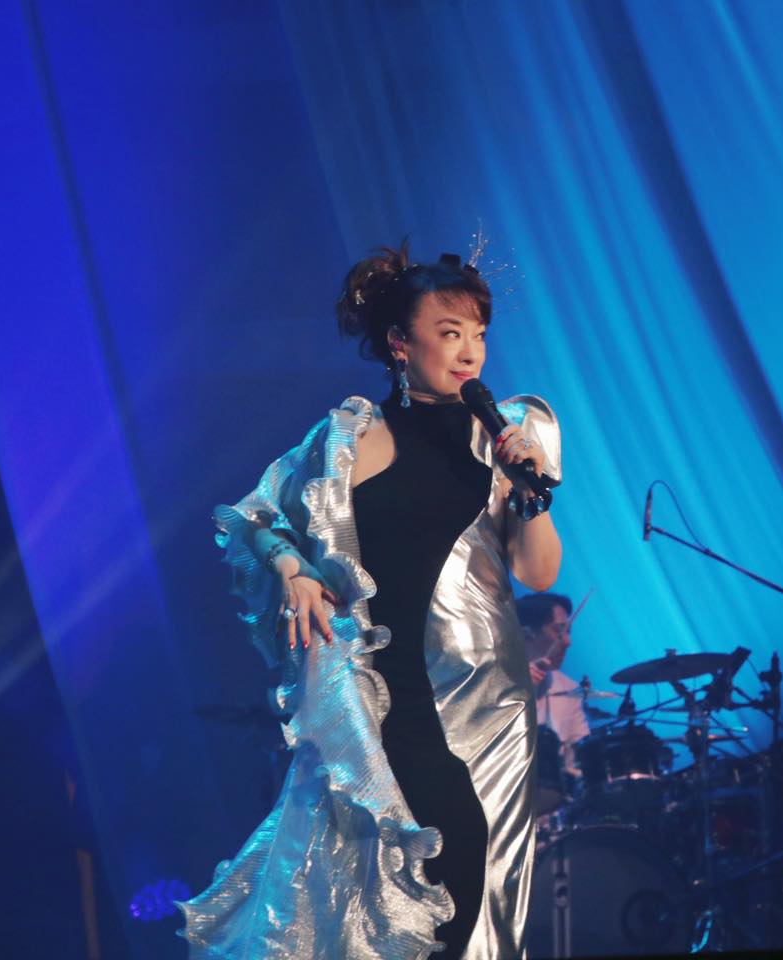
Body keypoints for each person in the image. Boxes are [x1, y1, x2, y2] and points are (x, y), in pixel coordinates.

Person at [180, 243, 563, 960]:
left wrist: (530, 492)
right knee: (374, 883)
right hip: (375, 695)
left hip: (486, 694)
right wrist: (293, 568)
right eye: (450, 333)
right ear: (399, 343)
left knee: (471, 872)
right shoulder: (349, 440)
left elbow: (537, 573)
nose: (470, 351)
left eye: (479, 334)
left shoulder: (508, 432)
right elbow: (255, 515)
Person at [517, 593, 589, 781]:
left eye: (569, 632)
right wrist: (518, 691)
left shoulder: (569, 688)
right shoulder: (491, 681)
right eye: (559, 631)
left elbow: (578, 756)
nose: (567, 641)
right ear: (526, 633)